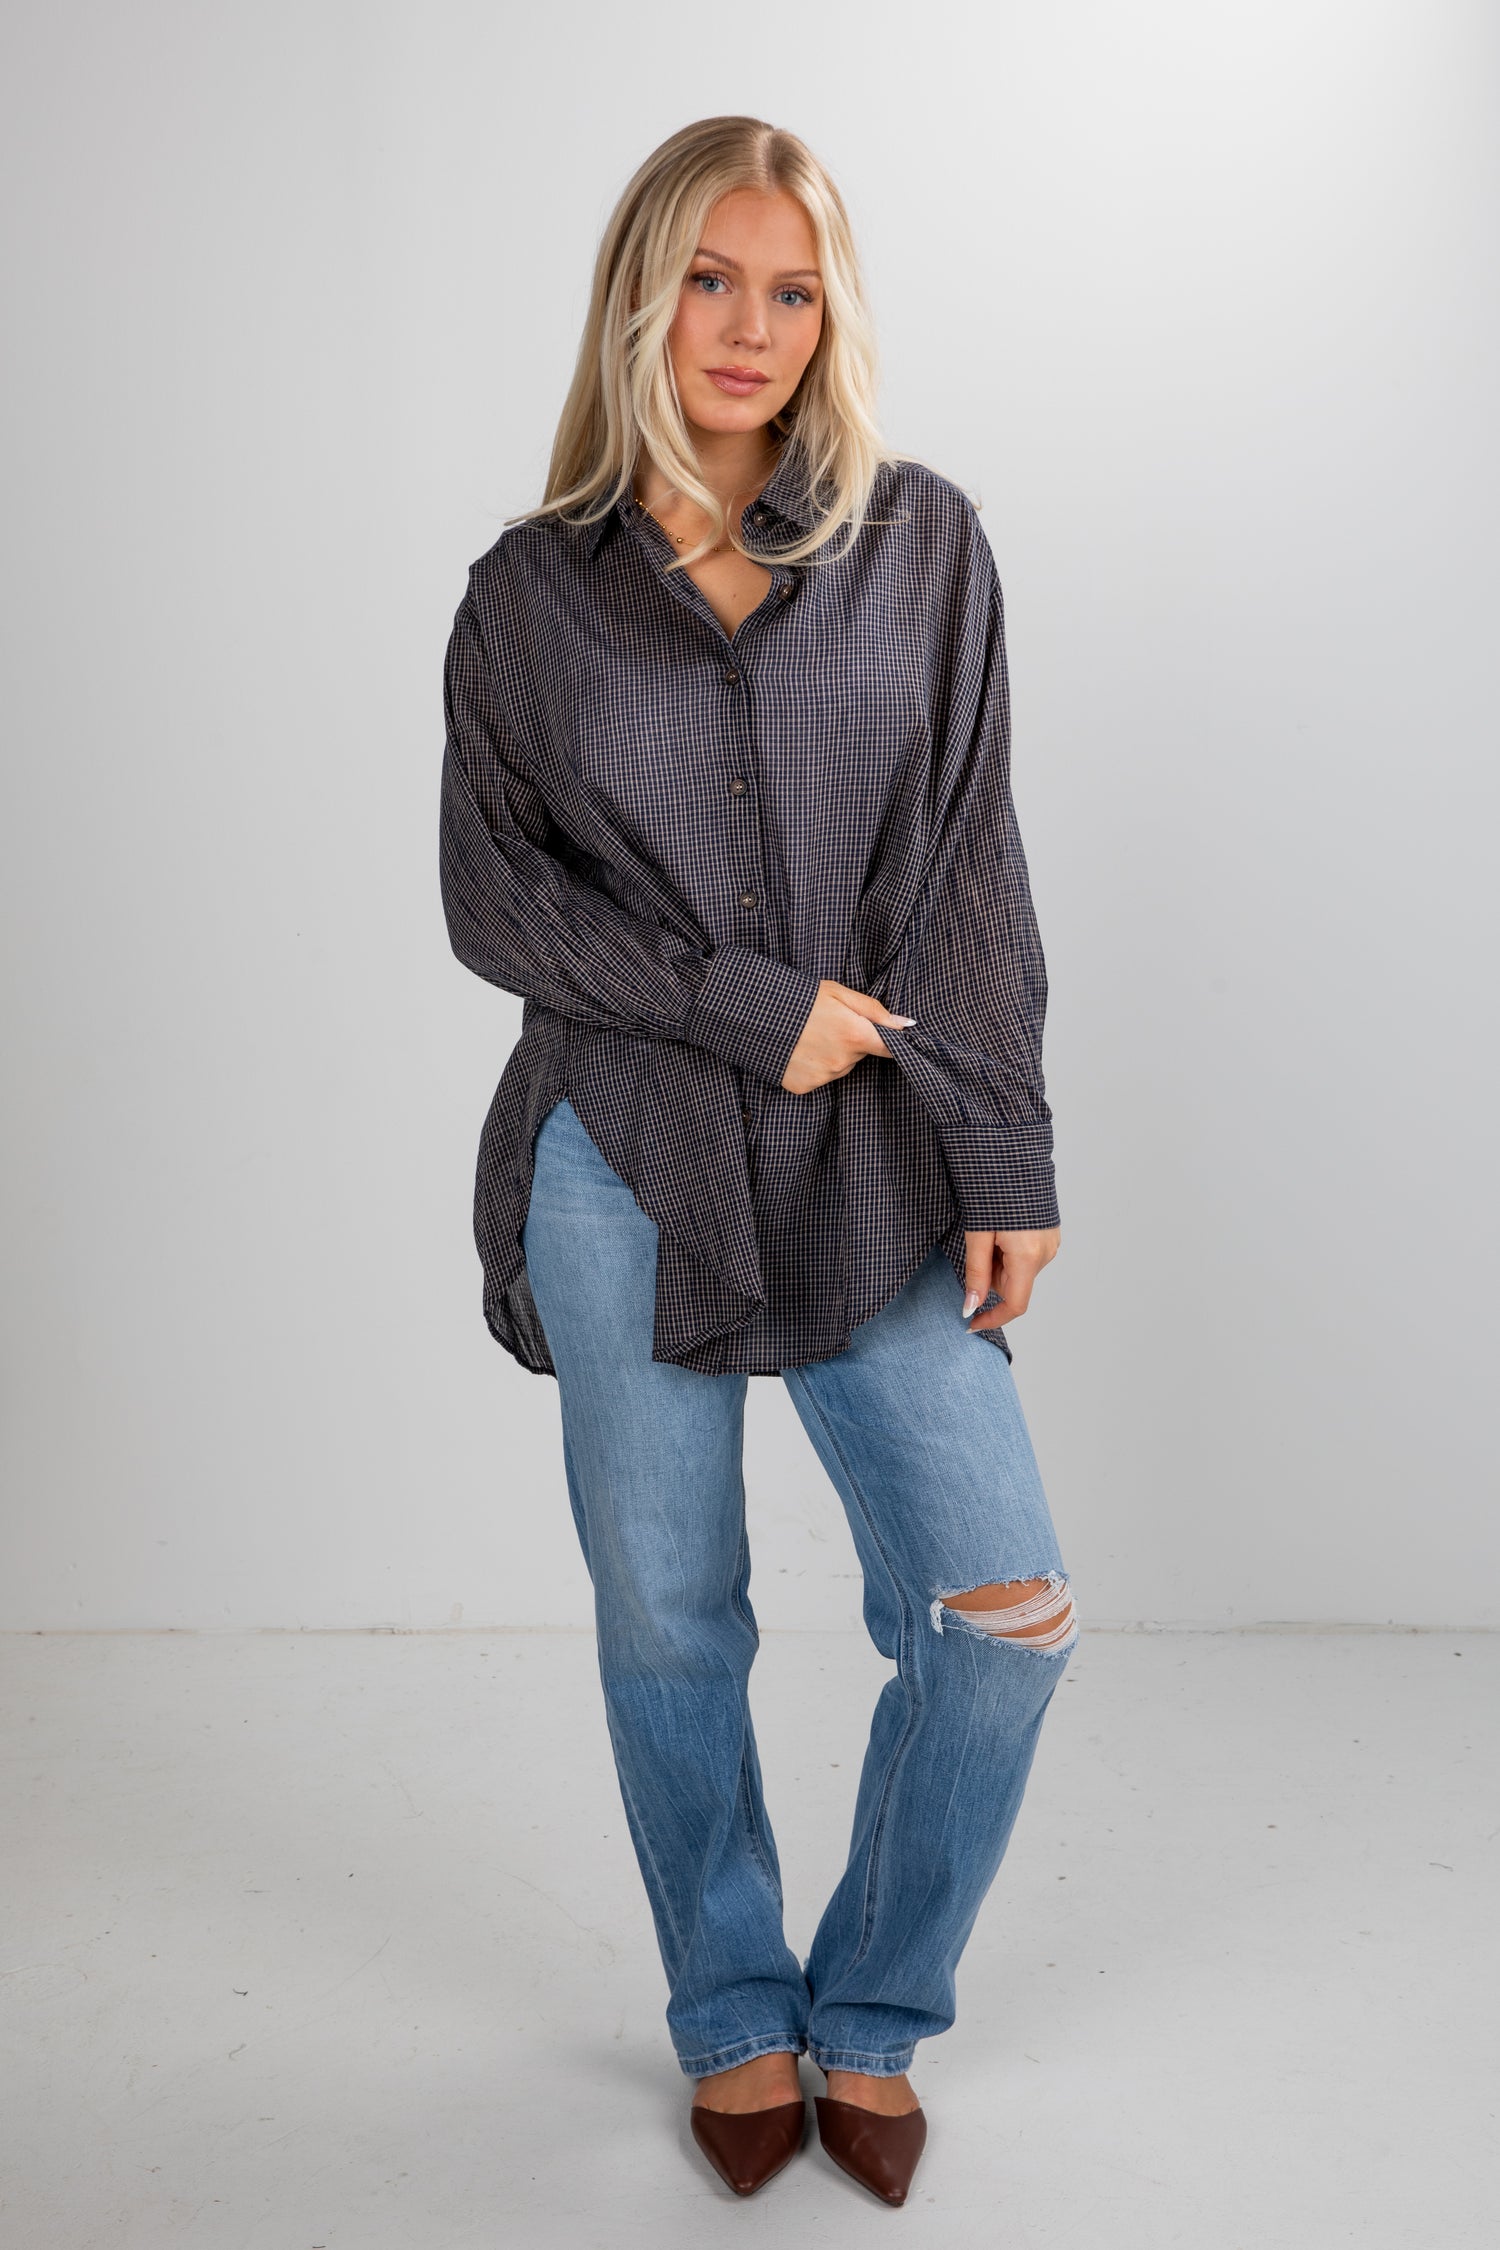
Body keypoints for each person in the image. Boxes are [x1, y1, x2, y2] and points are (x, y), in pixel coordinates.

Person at [439, 115, 1076, 2207]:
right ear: (644, 291)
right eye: (712, 277)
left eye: (791, 288)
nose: (749, 327)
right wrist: (742, 1003)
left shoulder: (925, 545)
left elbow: (971, 871)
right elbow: (495, 907)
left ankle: (873, 2010)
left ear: (831, 317)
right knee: (673, 1619)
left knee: (999, 1609)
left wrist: (1005, 1150)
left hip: (875, 1170)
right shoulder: (528, 602)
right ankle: (733, 2012)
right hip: (622, 1160)